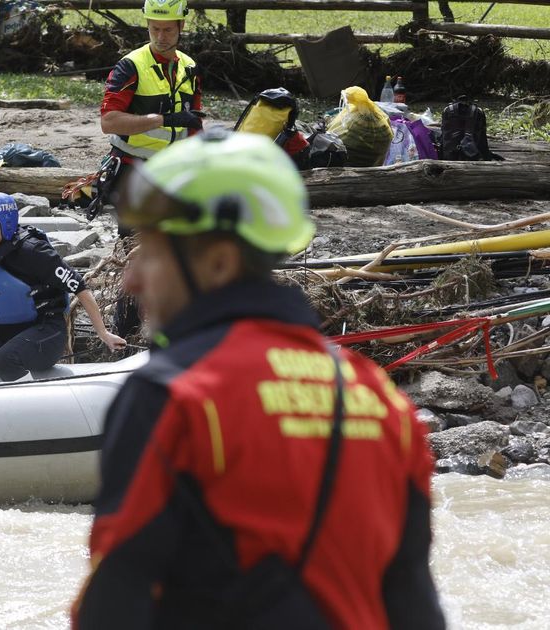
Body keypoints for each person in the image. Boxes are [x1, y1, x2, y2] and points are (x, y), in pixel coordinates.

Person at [73, 129, 444, 628]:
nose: (133, 280)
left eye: (154, 254)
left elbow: (114, 601)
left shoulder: (175, 394)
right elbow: (414, 605)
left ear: (219, 263)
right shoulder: (380, 399)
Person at [0, 192, 126, 381]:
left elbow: (79, 287)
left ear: (5, 225)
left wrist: (102, 333)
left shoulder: (34, 252)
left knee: (5, 360)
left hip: (45, 334)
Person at [99, 0, 205, 338]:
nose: (160, 36)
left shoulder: (189, 67)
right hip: (133, 174)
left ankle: (168, 327)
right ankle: (124, 335)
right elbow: (109, 121)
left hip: (173, 175)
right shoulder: (130, 67)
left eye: (167, 29)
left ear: (180, 28)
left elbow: (194, 124)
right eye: (154, 29)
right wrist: (162, 119)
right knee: (136, 254)